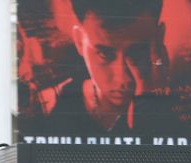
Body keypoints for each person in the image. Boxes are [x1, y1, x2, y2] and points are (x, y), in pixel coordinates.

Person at [34, 0, 175, 138]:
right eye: (104, 54)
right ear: (79, 41)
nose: (123, 79)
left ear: (159, 38)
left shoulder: (187, 112)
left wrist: (152, 106)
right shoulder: (45, 108)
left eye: (137, 53)